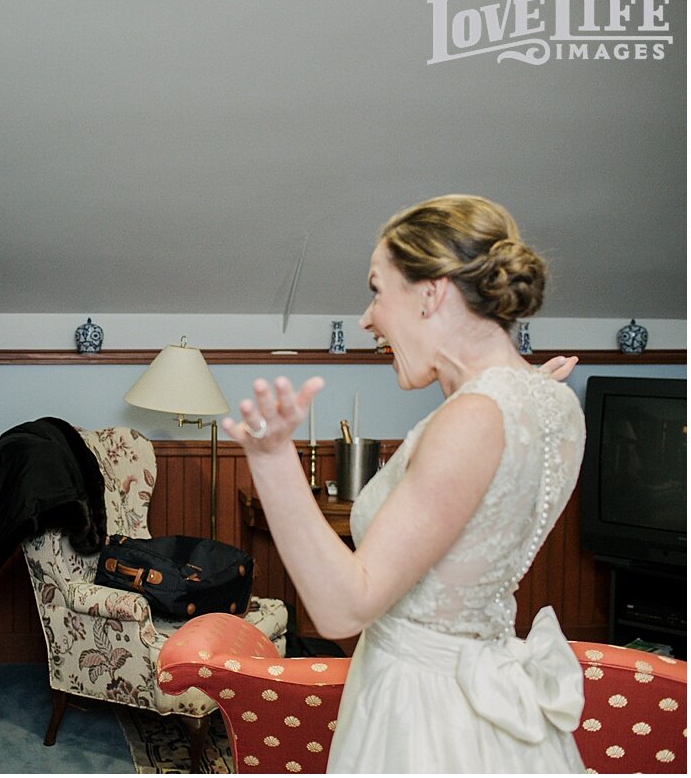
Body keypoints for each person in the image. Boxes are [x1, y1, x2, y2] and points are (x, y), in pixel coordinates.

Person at [223, 195, 587, 772]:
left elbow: (343, 610)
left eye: (376, 290)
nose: (367, 319)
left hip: (424, 714)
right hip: (491, 705)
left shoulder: (474, 419)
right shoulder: (554, 404)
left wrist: (271, 460)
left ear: (430, 293)